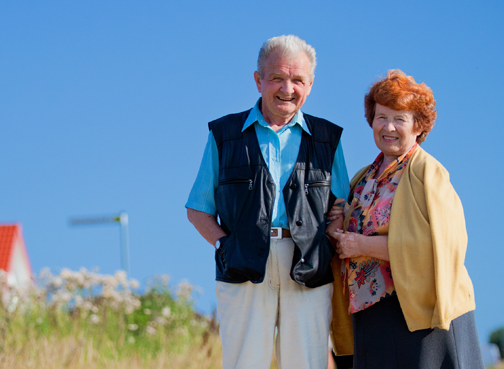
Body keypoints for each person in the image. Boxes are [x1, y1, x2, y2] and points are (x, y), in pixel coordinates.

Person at [186, 35, 349, 369]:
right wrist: (225, 247)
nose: (287, 88)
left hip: (309, 266)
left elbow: (342, 205)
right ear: (258, 80)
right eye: (277, 77)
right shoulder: (224, 134)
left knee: (308, 363)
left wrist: (329, 241)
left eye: (298, 80)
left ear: (310, 84)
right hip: (241, 264)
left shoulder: (328, 139)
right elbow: (198, 208)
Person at [325, 70, 482, 368]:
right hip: (371, 317)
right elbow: (344, 235)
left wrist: (360, 245)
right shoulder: (362, 178)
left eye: (400, 118)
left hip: (421, 317)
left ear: (418, 126)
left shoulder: (428, 173)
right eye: (381, 116)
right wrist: (337, 226)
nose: (389, 127)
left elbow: (437, 248)